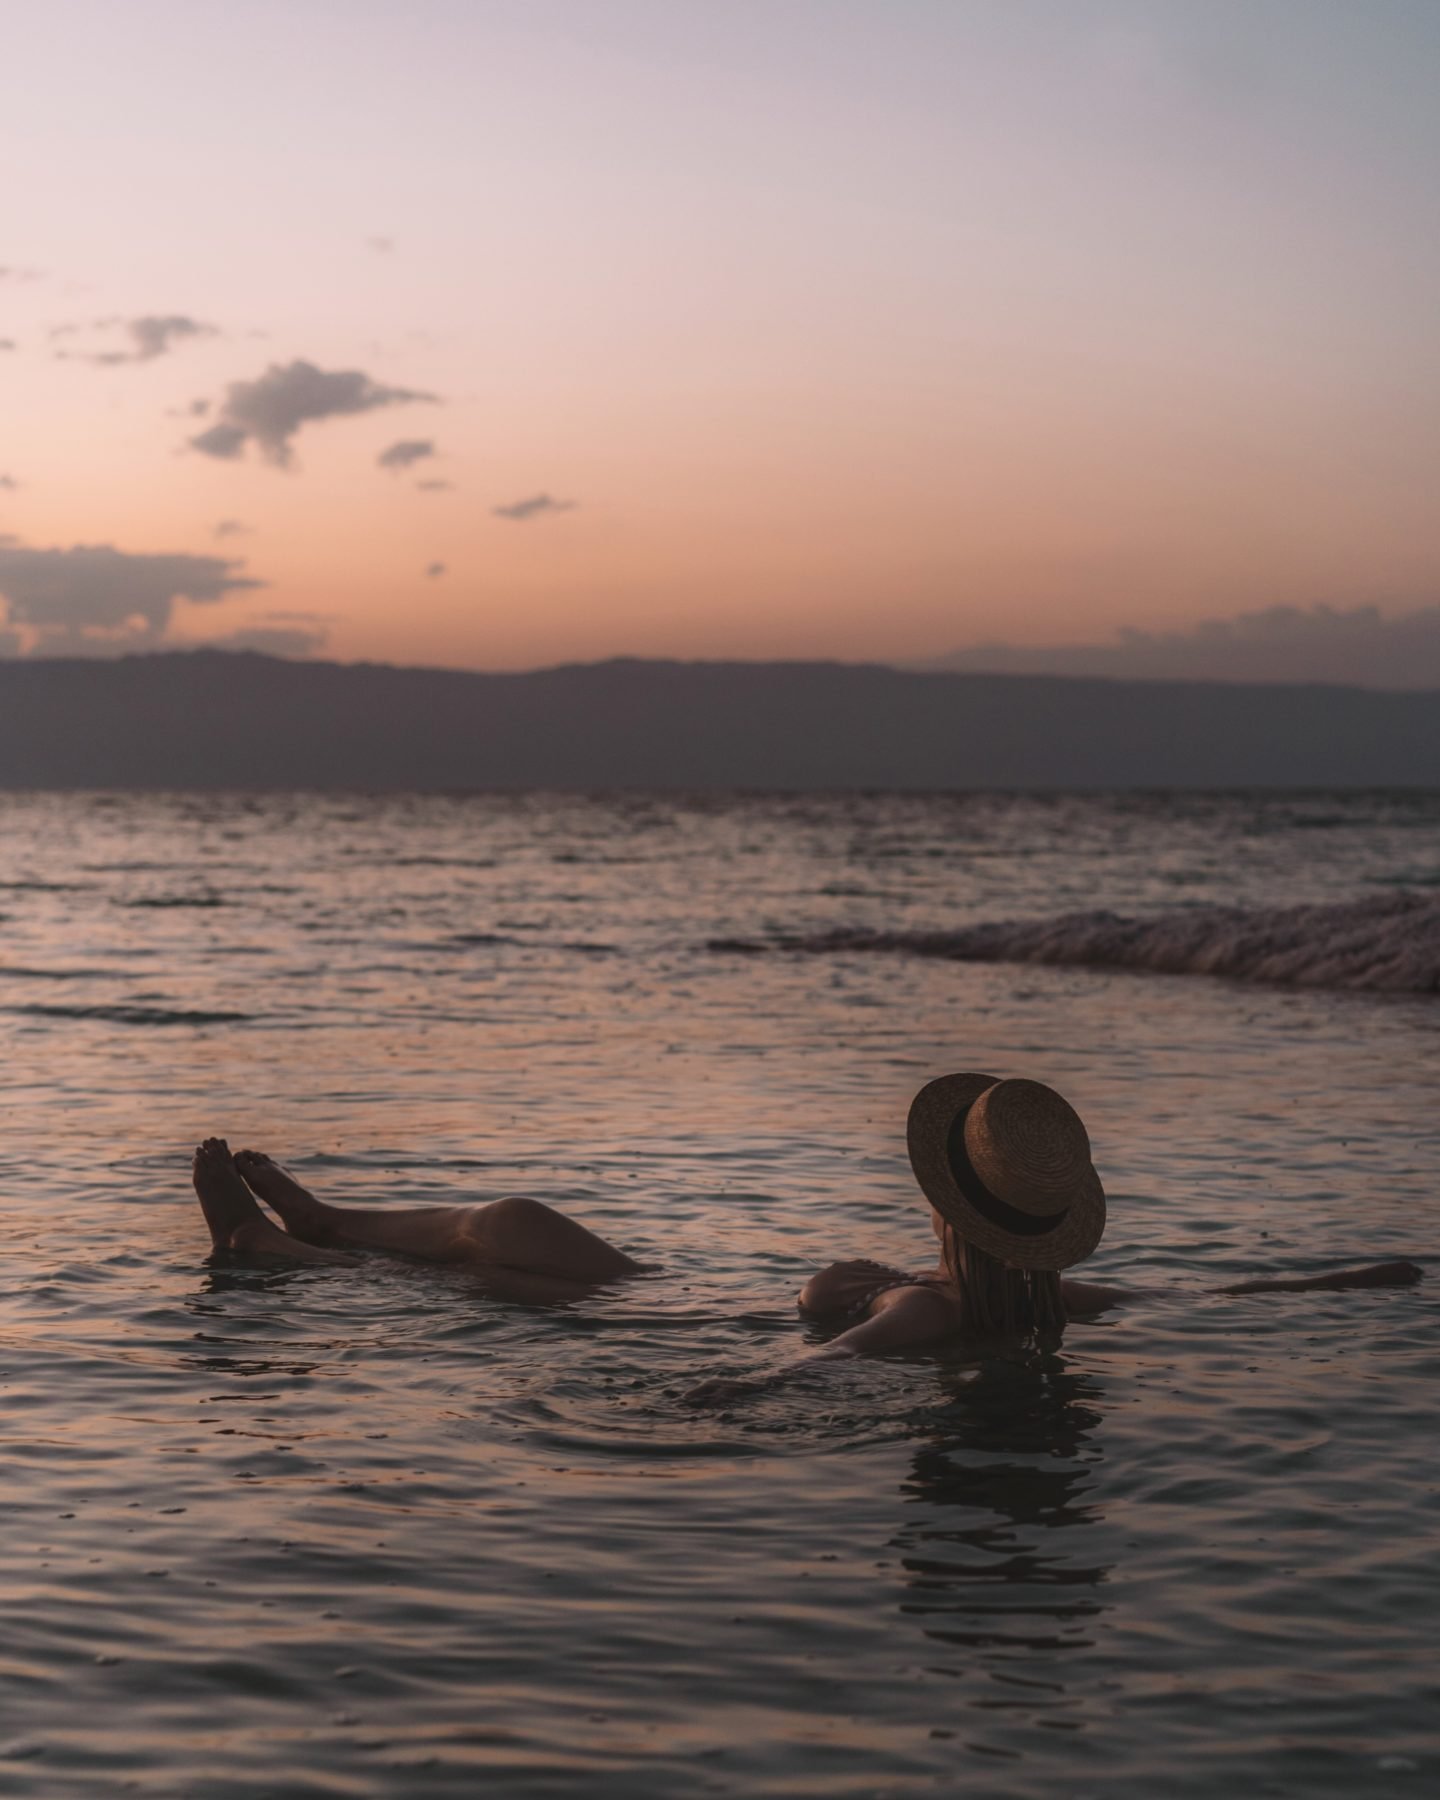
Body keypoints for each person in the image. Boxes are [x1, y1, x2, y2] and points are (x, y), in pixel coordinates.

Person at [189, 1072, 1422, 1395]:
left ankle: (284, 1252)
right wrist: (1376, 1272)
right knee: (502, 1223)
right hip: (668, 1290)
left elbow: (818, 1373)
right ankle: (326, 1222)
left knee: (488, 1265)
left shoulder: (928, 1308)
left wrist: (721, 1397)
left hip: (647, 1323)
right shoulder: (1046, 1306)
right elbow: (1230, 1302)